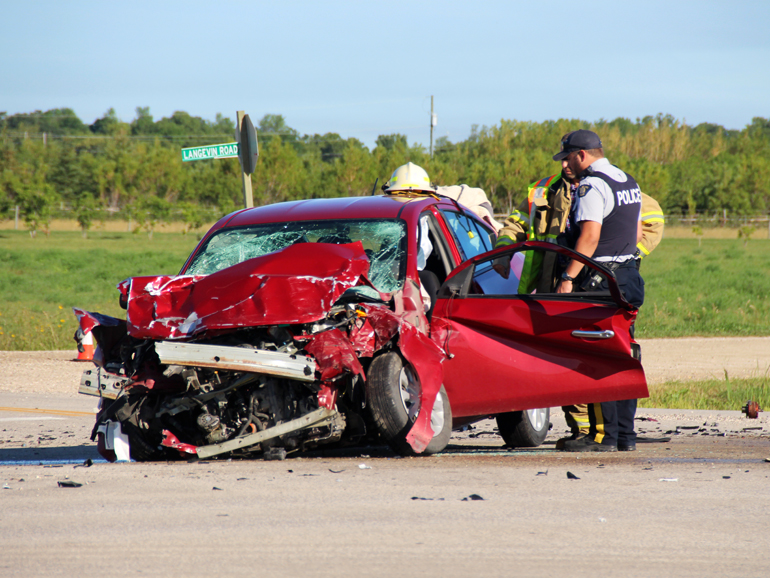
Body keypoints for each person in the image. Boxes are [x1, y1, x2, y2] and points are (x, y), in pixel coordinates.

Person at [551, 130, 645, 453]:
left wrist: (567, 277)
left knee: (597, 354)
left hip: (600, 282)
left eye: (567, 157)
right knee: (624, 353)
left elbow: (589, 238)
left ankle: (601, 436)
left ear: (581, 155)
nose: (565, 164)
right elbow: (635, 232)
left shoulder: (593, 185)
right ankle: (624, 436)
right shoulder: (628, 181)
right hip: (628, 277)